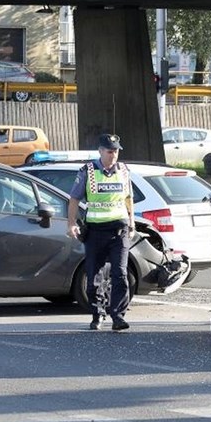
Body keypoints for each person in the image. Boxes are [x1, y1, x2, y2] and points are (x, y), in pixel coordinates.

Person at [67, 133, 135, 331]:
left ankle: (118, 316)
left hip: (119, 229)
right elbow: (74, 199)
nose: (113, 155)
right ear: (100, 151)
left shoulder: (123, 170)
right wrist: (71, 223)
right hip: (96, 231)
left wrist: (132, 223)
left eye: (116, 151)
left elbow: (128, 198)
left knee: (120, 273)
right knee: (94, 274)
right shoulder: (87, 171)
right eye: (109, 151)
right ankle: (97, 315)